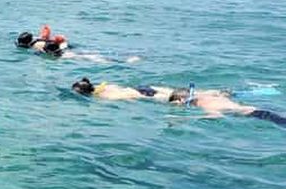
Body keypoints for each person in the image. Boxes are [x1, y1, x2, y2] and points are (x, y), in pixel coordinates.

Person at [72, 78, 286, 126]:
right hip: (256, 109)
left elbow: (216, 116)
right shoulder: (209, 97)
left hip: (258, 114)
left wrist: (198, 119)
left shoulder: (206, 104)